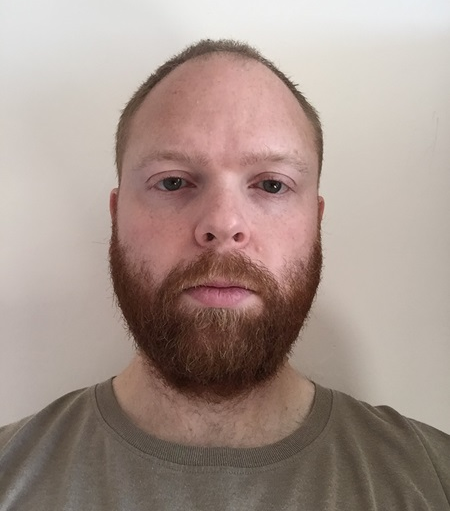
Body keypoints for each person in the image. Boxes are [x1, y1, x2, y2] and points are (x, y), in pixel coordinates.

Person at [0, 39, 448, 510]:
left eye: (271, 184)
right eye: (173, 181)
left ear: (315, 222)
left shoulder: (434, 481)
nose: (222, 223)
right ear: (116, 216)